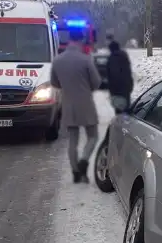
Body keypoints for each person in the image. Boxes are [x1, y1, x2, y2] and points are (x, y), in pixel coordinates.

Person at [50, 27, 102, 183]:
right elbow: (96, 82)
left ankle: (75, 172)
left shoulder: (57, 60)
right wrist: (86, 88)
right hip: (85, 103)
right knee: (93, 136)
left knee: (72, 140)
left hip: (68, 104)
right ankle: (84, 161)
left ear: (69, 40)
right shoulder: (86, 59)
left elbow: (54, 83)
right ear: (80, 40)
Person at [105, 34, 133, 114]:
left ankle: (121, 125)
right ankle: (127, 123)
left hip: (118, 91)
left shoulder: (113, 58)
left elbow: (114, 74)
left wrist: (112, 89)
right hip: (126, 88)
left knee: (119, 112)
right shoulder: (124, 55)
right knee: (126, 110)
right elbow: (128, 71)